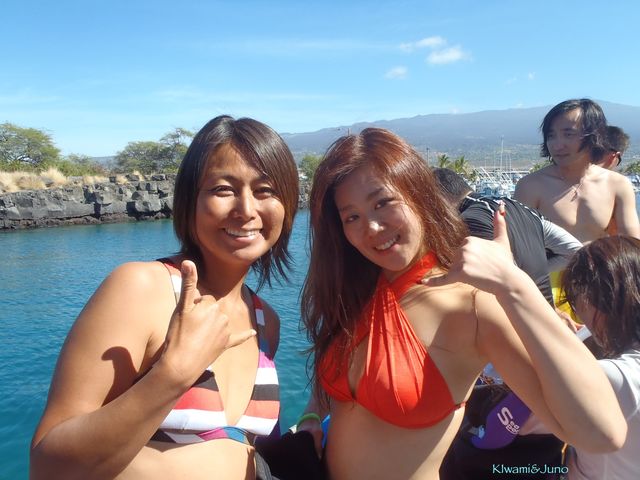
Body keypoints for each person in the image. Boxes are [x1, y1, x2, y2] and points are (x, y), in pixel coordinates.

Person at [297, 128, 626, 480]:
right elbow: (342, 377)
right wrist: (311, 416)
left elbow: (602, 433)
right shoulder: (360, 290)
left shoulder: (472, 305)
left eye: (383, 203)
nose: (373, 227)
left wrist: (514, 285)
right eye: (352, 217)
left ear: (419, 195)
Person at [29, 115, 300, 479]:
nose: (247, 210)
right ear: (190, 200)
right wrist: (173, 375)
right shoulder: (141, 289)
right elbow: (47, 467)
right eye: (223, 189)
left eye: (265, 191)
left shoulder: (266, 322)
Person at [520, 235, 640, 479]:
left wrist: (552, 342)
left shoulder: (612, 378)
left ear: (594, 300)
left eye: (575, 304)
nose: (580, 319)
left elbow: (519, 422)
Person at [432, 167, 581, 306]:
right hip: (546, 311)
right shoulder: (518, 207)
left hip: (514, 317)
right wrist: (534, 269)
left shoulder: (470, 222)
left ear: (439, 200)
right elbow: (574, 252)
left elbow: (488, 283)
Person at [514, 98, 640, 244]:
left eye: (568, 134)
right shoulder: (530, 186)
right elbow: (519, 246)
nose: (557, 145)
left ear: (593, 136)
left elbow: (632, 245)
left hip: (599, 259)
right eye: (551, 136)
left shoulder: (617, 184)